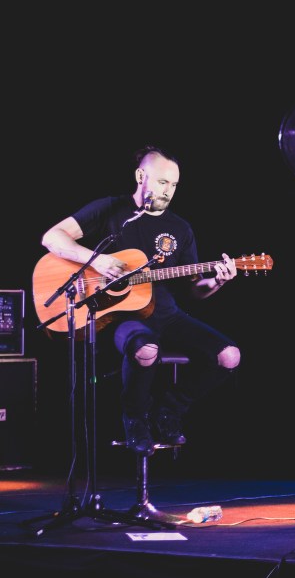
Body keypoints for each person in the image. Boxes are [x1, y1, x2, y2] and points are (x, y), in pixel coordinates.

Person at [40, 144, 241, 457]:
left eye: (174, 184)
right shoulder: (112, 209)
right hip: (119, 318)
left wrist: (217, 280)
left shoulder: (180, 229)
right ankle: (134, 419)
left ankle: (169, 411)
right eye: (162, 182)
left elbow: (195, 290)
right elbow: (52, 237)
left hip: (167, 316)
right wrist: (97, 260)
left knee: (229, 355)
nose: (168, 190)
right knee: (146, 348)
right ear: (140, 177)